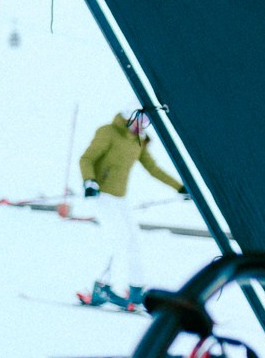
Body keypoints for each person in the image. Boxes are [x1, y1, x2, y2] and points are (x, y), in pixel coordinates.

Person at [77, 108, 186, 309]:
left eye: (147, 121)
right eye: (140, 119)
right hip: (102, 195)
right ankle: (101, 287)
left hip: (120, 199)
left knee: (134, 240)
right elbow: (87, 159)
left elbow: (153, 169)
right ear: (129, 115)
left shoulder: (139, 141)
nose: (142, 124)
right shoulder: (108, 131)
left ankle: (136, 290)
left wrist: (179, 187)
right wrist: (89, 181)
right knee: (118, 239)